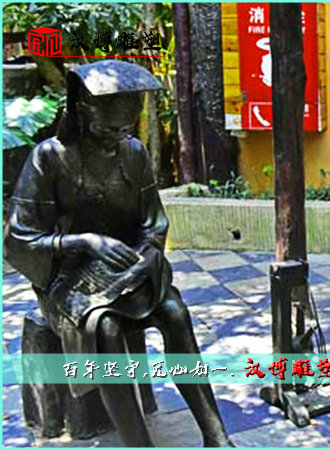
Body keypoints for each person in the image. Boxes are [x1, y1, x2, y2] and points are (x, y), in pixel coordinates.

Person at [4, 60, 233, 447]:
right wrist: (85, 242)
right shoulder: (49, 157)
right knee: (105, 328)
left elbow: (154, 222)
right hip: (67, 276)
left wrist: (149, 253)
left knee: (175, 312)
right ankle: (138, 443)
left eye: (125, 129)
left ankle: (215, 434)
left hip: (127, 268)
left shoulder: (134, 153)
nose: (116, 138)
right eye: (107, 129)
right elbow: (18, 238)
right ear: (82, 113)